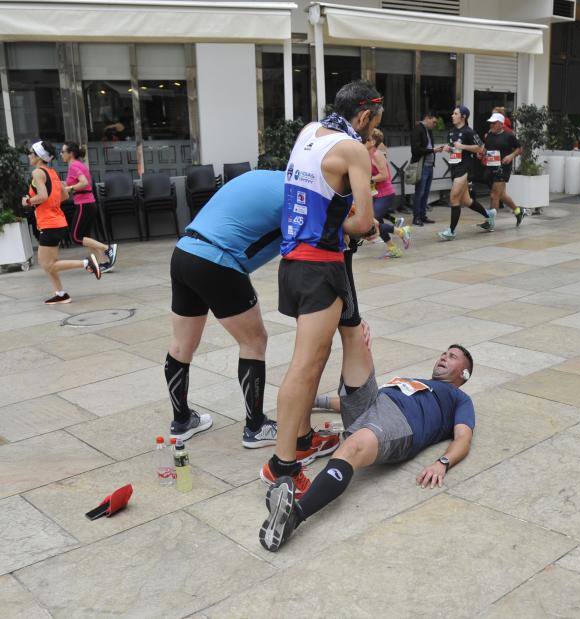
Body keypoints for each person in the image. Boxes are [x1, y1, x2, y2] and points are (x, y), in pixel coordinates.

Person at [261, 80, 381, 495]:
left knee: (316, 354)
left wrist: (340, 221)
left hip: (293, 263)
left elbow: (319, 198)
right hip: (320, 265)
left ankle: (301, 438)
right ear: (363, 117)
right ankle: (282, 467)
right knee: (306, 363)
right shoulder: (353, 150)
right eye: (371, 124)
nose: (369, 133)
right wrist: (356, 227)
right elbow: (363, 222)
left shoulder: (309, 132)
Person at [259, 340, 475, 552]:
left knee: (351, 448)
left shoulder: (460, 398)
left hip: (400, 420)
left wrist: (443, 463)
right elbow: (353, 401)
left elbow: (463, 437)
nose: (444, 356)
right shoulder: (415, 381)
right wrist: (315, 400)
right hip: (373, 401)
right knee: (358, 342)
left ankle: (295, 516)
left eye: (453, 356)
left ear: (464, 374)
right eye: (445, 353)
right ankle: (348, 316)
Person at [166, 170, 284, 447]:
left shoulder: (262, 176)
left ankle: (182, 421)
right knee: (254, 340)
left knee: (182, 346)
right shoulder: (300, 193)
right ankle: (256, 427)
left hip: (184, 252)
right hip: (218, 260)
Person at [21, 140, 101, 304]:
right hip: (56, 221)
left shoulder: (38, 173)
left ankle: (87, 263)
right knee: (50, 263)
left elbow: (42, 196)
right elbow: (64, 196)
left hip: (49, 223)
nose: (29, 156)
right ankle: (61, 293)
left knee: (47, 264)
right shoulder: (52, 173)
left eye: (31, 153)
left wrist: (28, 201)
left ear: (38, 156)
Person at [439, 105, 495, 240]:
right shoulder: (451, 132)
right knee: (466, 200)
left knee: (453, 197)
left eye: (455, 113)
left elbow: (481, 148)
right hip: (455, 166)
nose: (452, 115)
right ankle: (489, 215)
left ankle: (451, 231)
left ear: (463, 117)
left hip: (465, 167)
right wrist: (448, 148)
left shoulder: (469, 132)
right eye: (453, 113)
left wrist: (463, 146)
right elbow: (455, 149)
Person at [60, 142, 118, 273]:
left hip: (84, 204)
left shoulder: (74, 165)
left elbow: (84, 183)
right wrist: (62, 184)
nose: (61, 154)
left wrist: (68, 188)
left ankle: (107, 248)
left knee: (76, 237)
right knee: (85, 237)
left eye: (63, 152)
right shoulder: (78, 165)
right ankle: (104, 262)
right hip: (87, 203)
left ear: (71, 154)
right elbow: (77, 182)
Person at [366, 129, 411, 258]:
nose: (363, 140)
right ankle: (393, 248)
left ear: (373, 141)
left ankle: (402, 231)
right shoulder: (367, 154)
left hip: (385, 194)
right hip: (374, 194)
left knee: (371, 222)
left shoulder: (377, 155)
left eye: (367, 138)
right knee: (377, 223)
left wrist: (369, 178)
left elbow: (384, 175)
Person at [483, 112, 524, 227]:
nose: (491, 125)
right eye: (490, 123)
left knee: (494, 195)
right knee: (501, 195)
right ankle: (518, 211)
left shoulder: (509, 135)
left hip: (503, 168)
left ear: (501, 124)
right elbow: (486, 148)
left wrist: (511, 156)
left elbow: (520, 149)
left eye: (494, 123)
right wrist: (482, 154)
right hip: (491, 166)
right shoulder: (489, 135)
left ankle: (490, 222)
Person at [410, 112, 440, 226]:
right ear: (427, 118)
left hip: (429, 165)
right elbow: (416, 149)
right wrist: (433, 150)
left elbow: (428, 147)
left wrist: (434, 150)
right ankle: (416, 217)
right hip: (421, 166)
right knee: (420, 192)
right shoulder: (418, 129)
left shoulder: (428, 130)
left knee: (426, 192)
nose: (435, 124)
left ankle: (422, 215)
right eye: (434, 122)